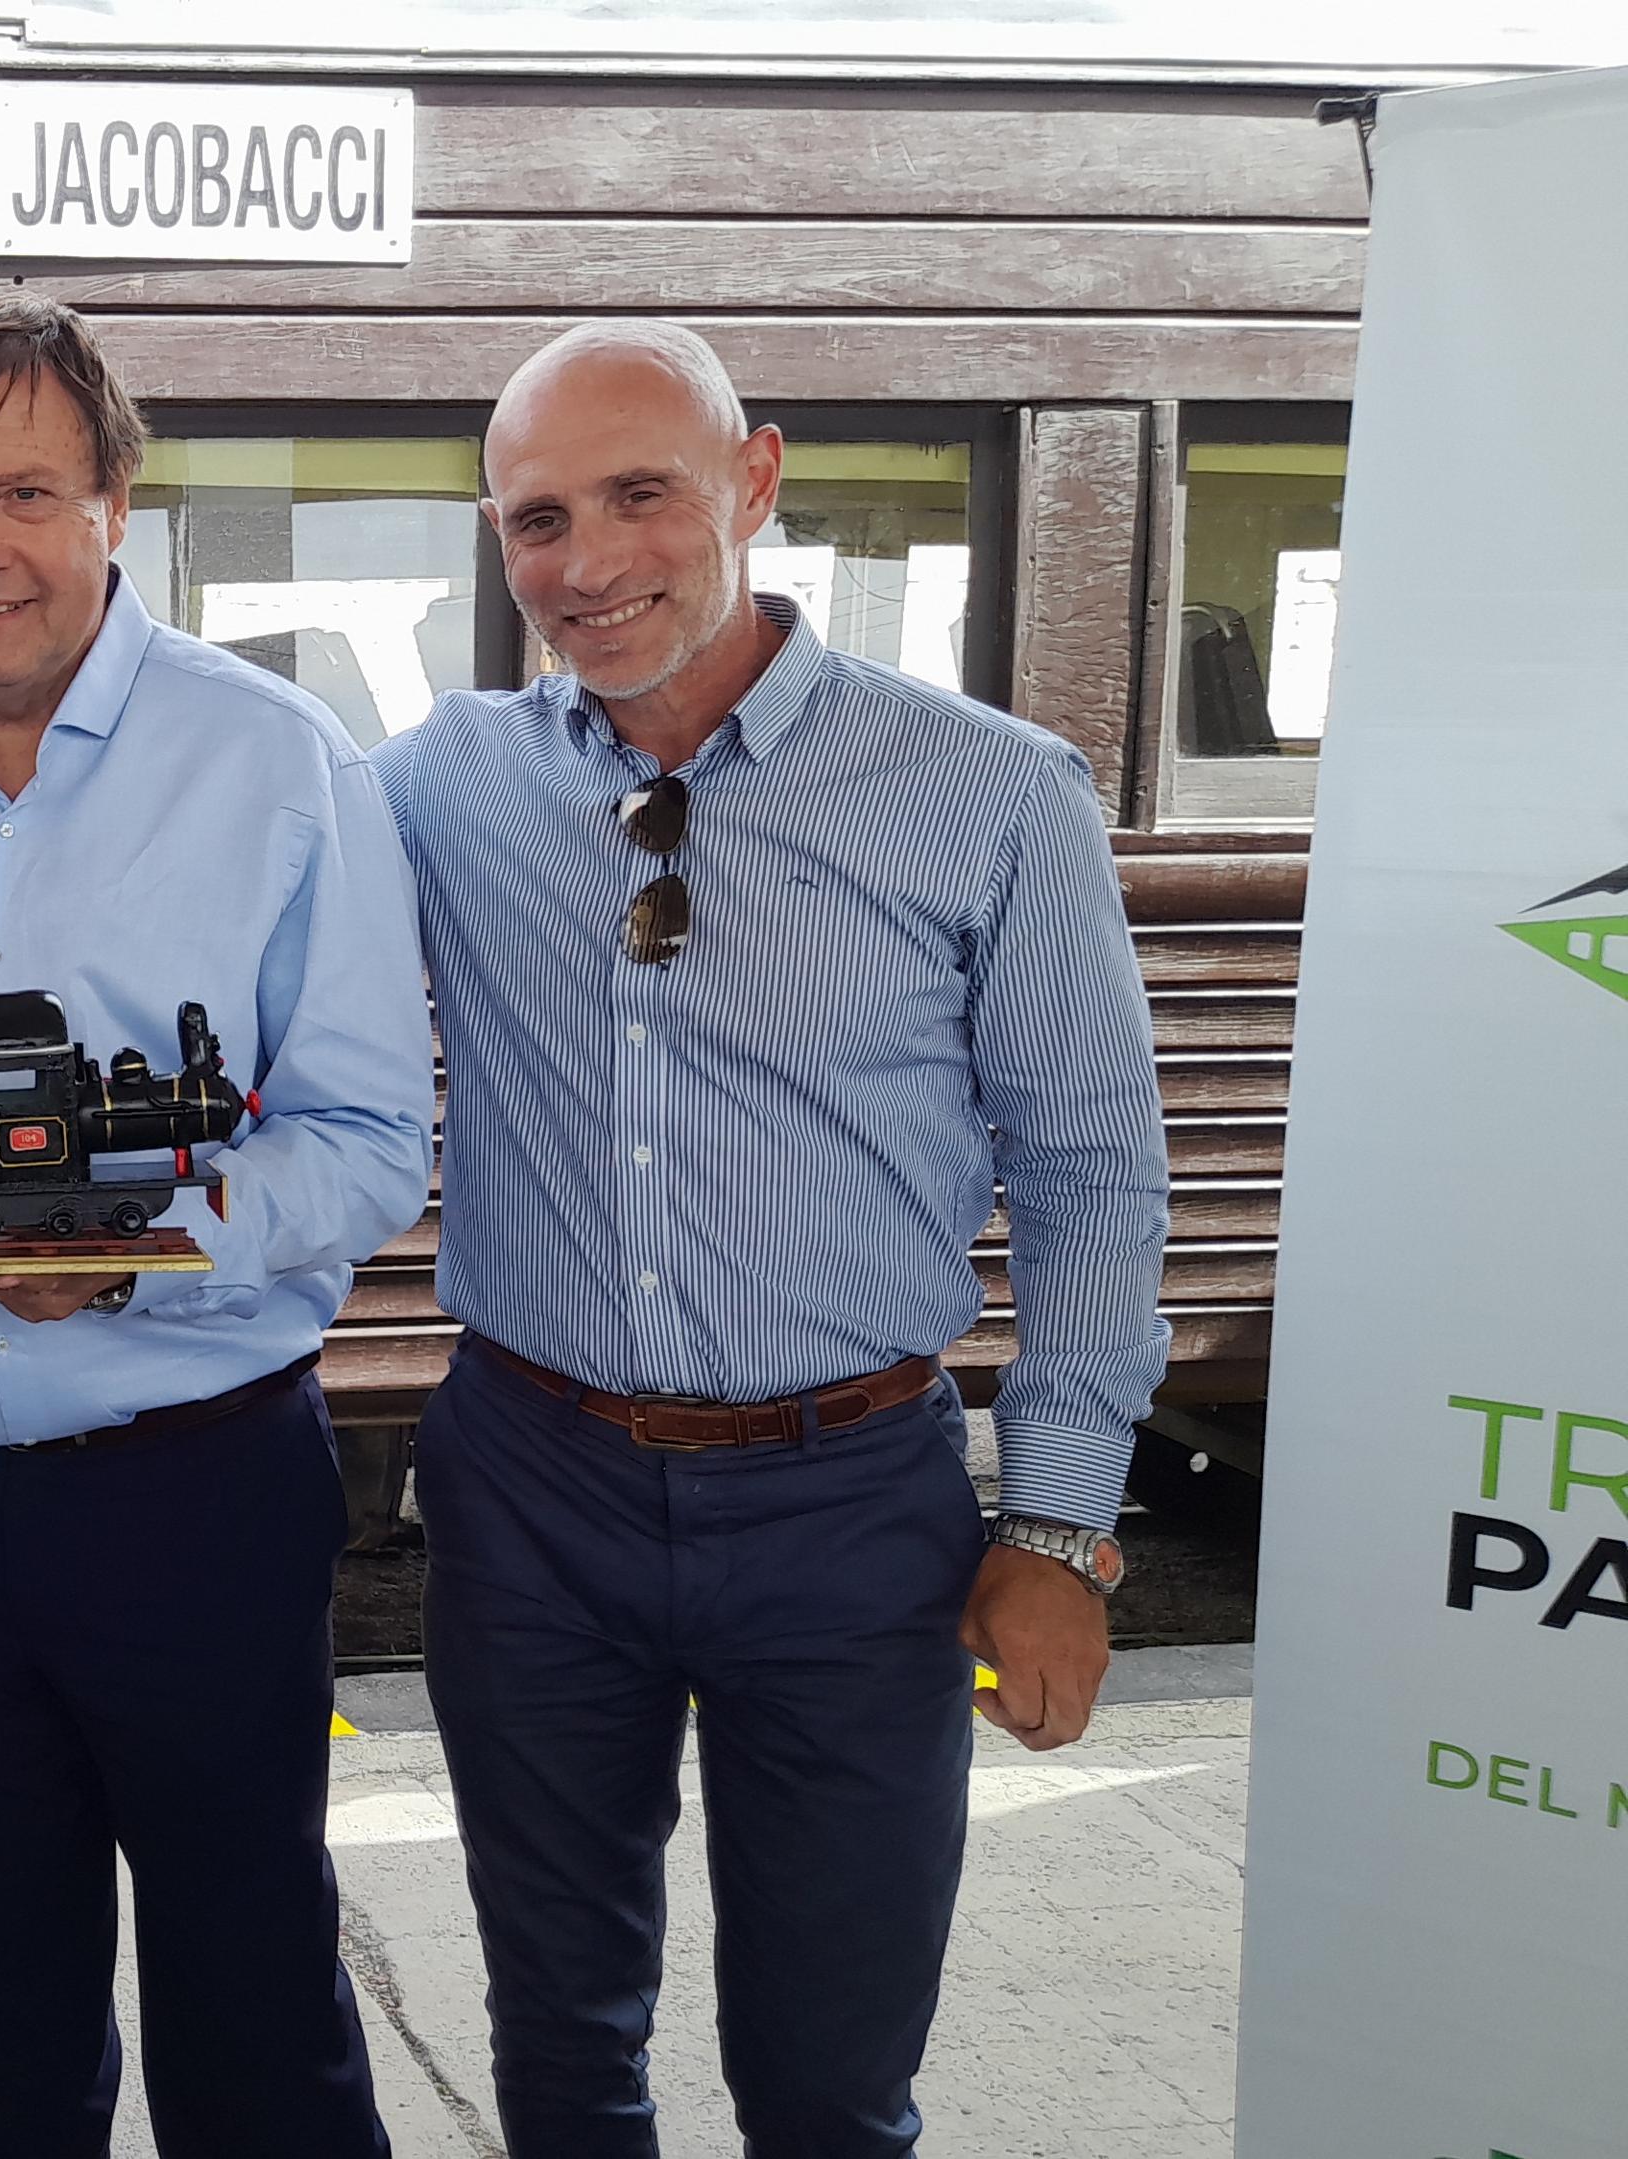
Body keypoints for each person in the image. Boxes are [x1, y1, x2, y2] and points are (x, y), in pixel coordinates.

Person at [371, 320, 1170, 2156]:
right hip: (533, 1489)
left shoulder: (992, 791)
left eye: (639, 495)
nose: (587, 563)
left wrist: (1059, 1528)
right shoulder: (438, 785)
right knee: (560, 2040)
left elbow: (1091, 1172)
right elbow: (214, 842)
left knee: (830, 2072)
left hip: (852, 1505)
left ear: (755, 479)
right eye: (538, 520)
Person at [0, 291, 430, 2158]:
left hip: (197, 1485)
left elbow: (374, 1143)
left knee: (253, 2008)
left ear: (117, 500)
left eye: (26, 493)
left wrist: (139, 1243)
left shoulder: (280, 760)